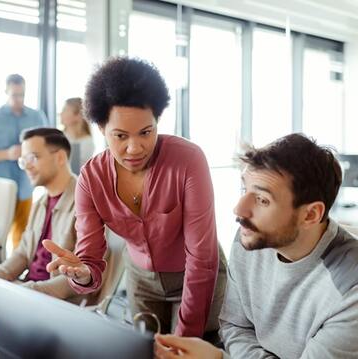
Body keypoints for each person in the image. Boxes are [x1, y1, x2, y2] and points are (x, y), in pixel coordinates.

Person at [43, 57, 227, 338]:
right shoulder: (91, 179)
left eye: (146, 132)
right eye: (120, 135)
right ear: (102, 128)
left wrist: (185, 337)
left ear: (157, 121)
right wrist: (82, 272)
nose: (134, 148)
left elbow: (202, 258)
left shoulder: (188, 160)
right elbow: (89, 260)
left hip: (198, 277)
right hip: (141, 282)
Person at [155, 133, 358, 359]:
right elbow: (234, 326)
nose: (239, 210)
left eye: (262, 200)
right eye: (245, 190)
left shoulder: (350, 290)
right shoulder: (251, 239)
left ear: (310, 214)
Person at [0, 127, 80, 300]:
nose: (27, 166)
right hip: (29, 292)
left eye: (33, 158)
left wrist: (26, 291)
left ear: (60, 157)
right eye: (23, 160)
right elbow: (23, 253)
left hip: (56, 303)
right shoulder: (40, 203)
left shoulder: (85, 205)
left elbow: (81, 278)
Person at [0, 74, 48, 249]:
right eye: (15, 95)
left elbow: (47, 146)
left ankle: (16, 273)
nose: (19, 99)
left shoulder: (37, 117)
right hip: (0, 185)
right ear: (6, 92)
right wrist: (7, 154)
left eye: (22, 94)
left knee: (23, 234)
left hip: (26, 184)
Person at [60, 97, 95, 168]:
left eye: (65, 110)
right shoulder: (58, 137)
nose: (61, 113)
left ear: (78, 115)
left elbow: (75, 170)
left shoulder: (87, 143)